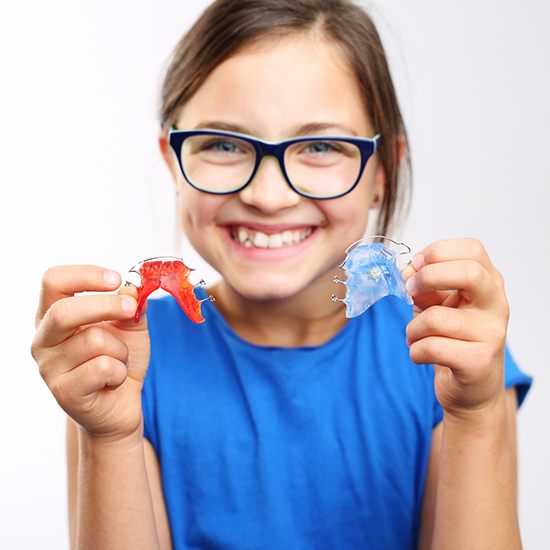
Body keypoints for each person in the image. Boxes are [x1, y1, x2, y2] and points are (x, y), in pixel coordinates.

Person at [31, 1, 532, 548]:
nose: (268, 196)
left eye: (320, 146)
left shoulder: (455, 360)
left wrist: (477, 414)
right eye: (223, 143)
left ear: (381, 172)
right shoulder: (123, 362)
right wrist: (109, 437)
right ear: (173, 162)